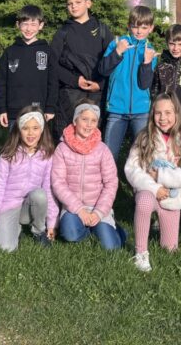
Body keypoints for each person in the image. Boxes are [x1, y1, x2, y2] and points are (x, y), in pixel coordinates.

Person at [123, 92, 181, 272]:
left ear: (177, 114)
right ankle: (141, 252)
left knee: (169, 250)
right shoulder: (144, 138)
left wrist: (161, 176)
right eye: (158, 113)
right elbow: (131, 169)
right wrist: (154, 187)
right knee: (143, 202)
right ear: (152, 114)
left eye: (168, 113)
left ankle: (159, 230)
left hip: (172, 200)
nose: (163, 118)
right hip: (149, 193)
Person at [0, 105, 58, 251]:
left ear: (42, 130)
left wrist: (52, 223)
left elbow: (49, 189)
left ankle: (38, 231)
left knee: (40, 195)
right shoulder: (7, 156)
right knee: (6, 248)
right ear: (19, 130)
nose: (31, 133)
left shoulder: (47, 156)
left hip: (31, 206)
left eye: (35, 128)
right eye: (25, 128)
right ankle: (15, 228)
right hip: (9, 206)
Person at [51, 103, 126, 250]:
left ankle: (109, 227)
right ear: (75, 121)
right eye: (84, 119)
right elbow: (58, 183)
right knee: (70, 234)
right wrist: (79, 209)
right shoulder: (62, 148)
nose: (89, 125)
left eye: (93, 121)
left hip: (98, 206)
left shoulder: (103, 149)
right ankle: (88, 230)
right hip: (73, 207)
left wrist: (98, 212)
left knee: (111, 247)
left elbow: (111, 183)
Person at [49, 0, 113, 139]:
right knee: (68, 138)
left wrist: (101, 84)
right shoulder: (62, 33)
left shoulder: (102, 30)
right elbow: (52, 65)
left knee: (94, 139)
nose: (73, 6)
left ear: (88, 3)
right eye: (70, 3)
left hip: (97, 94)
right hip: (69, 95)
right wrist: (74, 80)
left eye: (78, 2)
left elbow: (112, 62)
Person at [99, 5, 158, 161]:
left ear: (151, 28)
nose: (139, 31)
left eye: (144, 27)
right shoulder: (117, 44)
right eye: (135, 26)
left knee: (142, 158)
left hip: (141, 112)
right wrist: (117, 52)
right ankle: (111, 186)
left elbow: (145, 84)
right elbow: (103, 70)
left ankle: (139, 186)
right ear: (129, 26)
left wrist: (147, 62)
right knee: (109, 157)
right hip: (117, 110)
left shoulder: (150, 51)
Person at [0, 5, 53, 128]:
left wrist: (50, 108)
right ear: (18, 25)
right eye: (25, 24)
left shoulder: (47, 52)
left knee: (38, 146)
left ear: (41, 25)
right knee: (15, 146)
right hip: (14, 113)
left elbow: (53, 83)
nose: (28, 28)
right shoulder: (9, 52)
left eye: (33, 24)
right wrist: (2, 109)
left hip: (39, 111)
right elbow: (1, 83)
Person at [151, 23, 181, 132]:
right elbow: (155, 95)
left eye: (180, 44)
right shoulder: (160, 67)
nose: (176, 48)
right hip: (165, 124)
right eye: (172, 44)